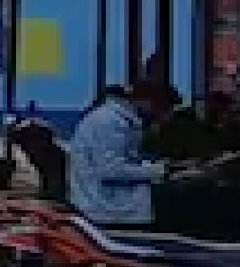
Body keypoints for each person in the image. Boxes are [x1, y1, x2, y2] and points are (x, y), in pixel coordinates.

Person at [67, 81, 176, 230]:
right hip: (107, 209)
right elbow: (111, 170)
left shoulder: (118, 120)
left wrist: (156, 166)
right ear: (146, 102)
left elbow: (124, 160)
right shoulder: (110, 122)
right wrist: (159, 170)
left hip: (108, 205)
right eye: (163, 109)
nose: (164, 117)